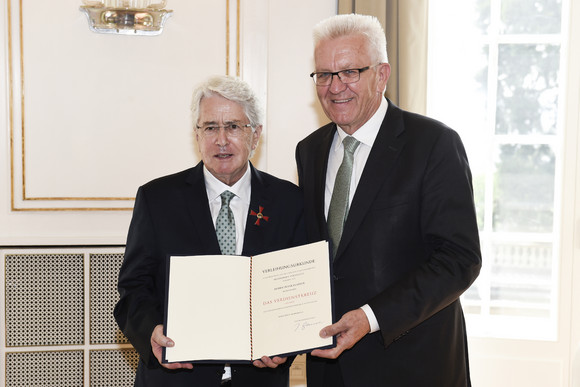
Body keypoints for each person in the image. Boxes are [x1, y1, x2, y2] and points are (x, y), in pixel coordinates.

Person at [295, 14, 482, 386]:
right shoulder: (309, 151)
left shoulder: (433, 144)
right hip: (330, 368)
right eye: (324, 75)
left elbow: (459, 259)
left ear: (381, 75)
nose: (335, 87)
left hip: (412, 364)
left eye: (349, 72)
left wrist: (371, 316)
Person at [114, 75, 306, 387]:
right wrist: (151, 331)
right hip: (176, 378)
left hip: (259, 379)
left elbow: (298, 293)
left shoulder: (289, 201)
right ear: (197, 134)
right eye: (210, 127)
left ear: (255, 135)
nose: (221, 140)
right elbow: (133, 289)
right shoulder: (158, 199)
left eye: (233, 126)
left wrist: (288, 345)